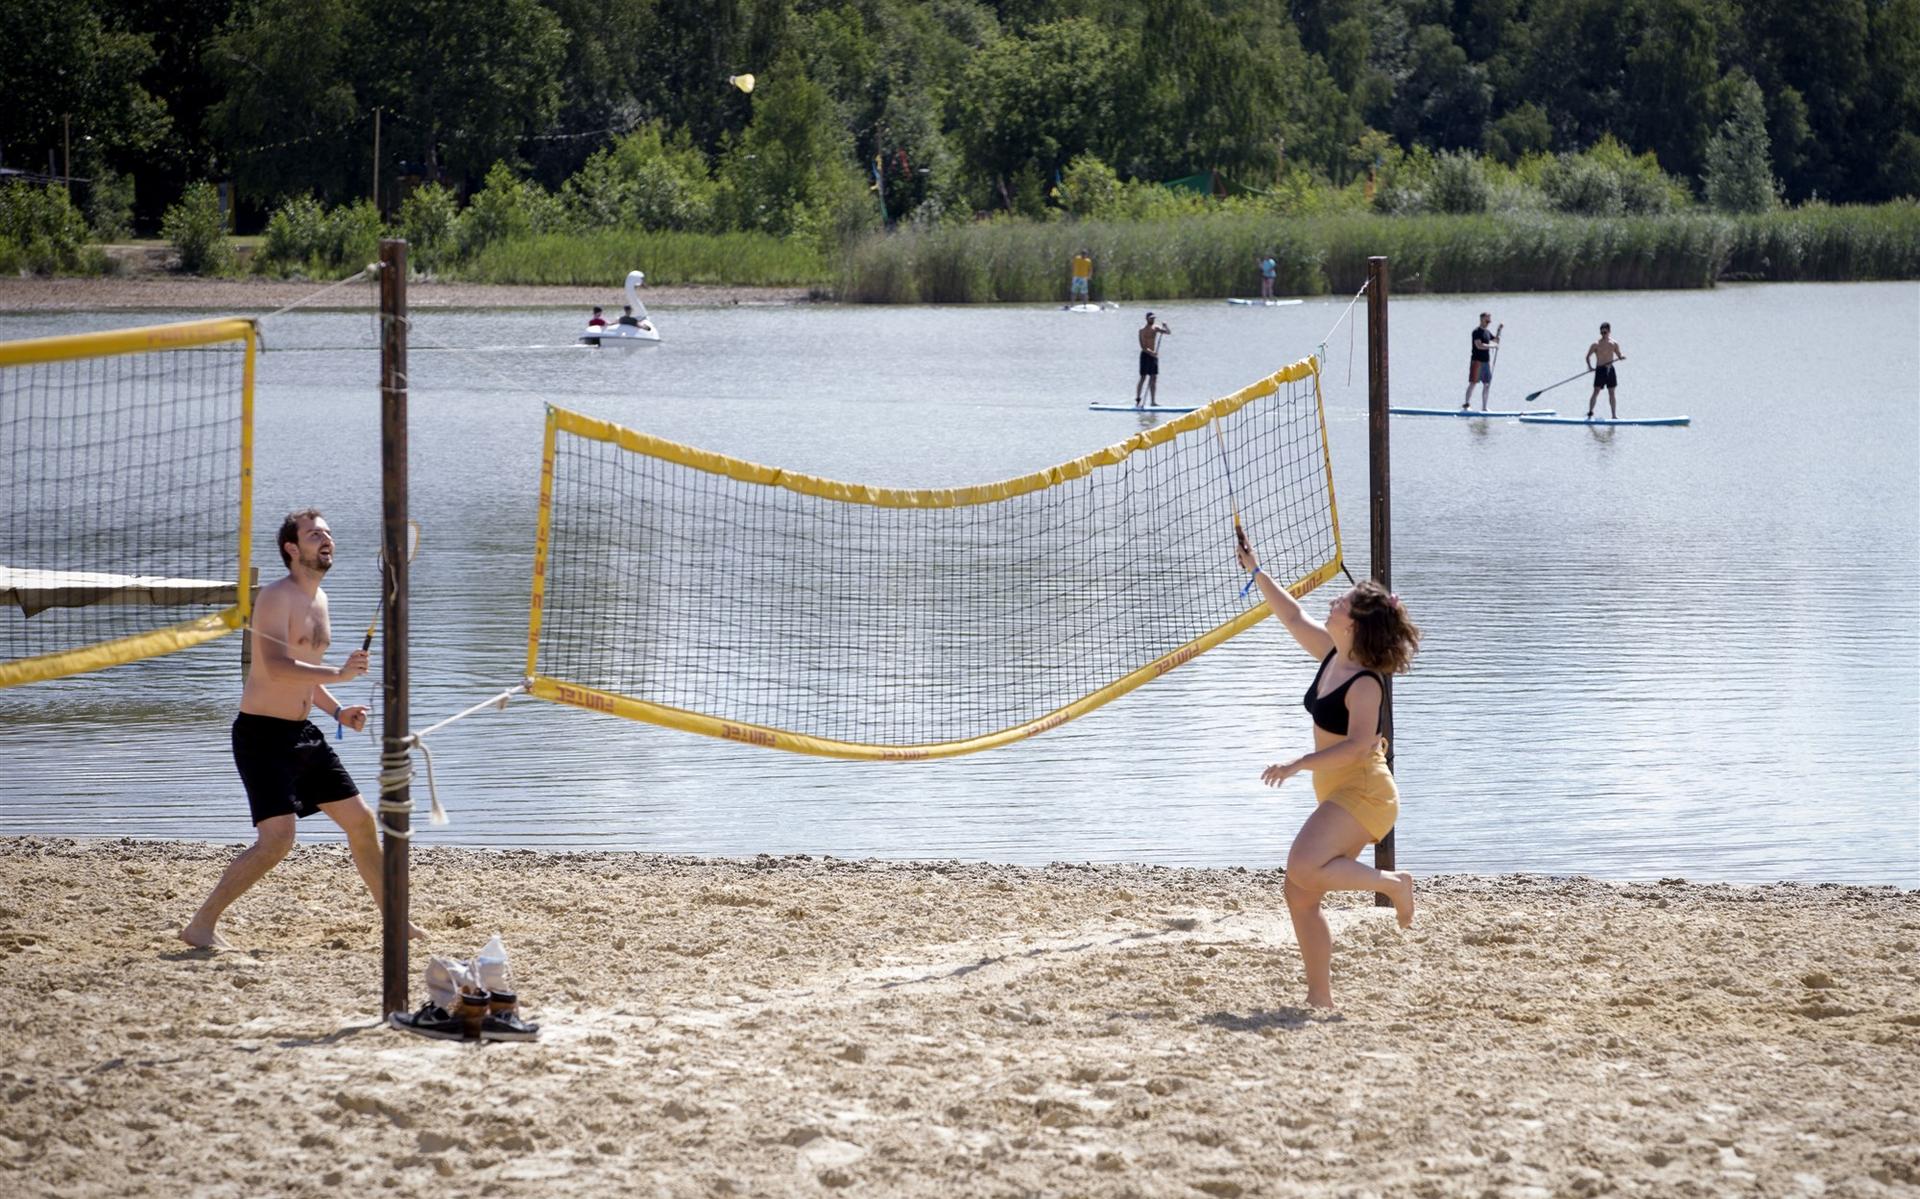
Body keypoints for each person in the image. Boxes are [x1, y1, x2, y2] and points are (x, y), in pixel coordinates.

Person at [180, 509, 425, 949]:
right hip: (262, 737)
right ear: (293, 548)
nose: (326, 540)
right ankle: (202, 924)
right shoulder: (276, 597)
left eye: (328, 533)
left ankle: (396, 920)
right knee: (277, 842)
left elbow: (306, 675)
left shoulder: (321, 600)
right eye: (315, 534)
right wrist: (341, 674)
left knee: (361, 822)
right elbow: (274, 667)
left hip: (304, 733)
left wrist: (335, 711)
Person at [1235, 527, 1421, 1009]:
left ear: (1355, 624)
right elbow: (1292, 614)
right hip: (1338, 791)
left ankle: (1392, 884)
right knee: (1299, 893)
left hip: (1366, 793)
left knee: (1302, 865)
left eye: (1342, 602)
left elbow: (1361, 747)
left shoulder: (1364, 683)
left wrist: (1300, 763)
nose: (1333, 602)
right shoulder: (1333, 655)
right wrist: (1256, 571)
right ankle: (1321, 999)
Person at [1462, 312, 1502, 410]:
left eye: (1490, 320)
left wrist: (1499, 330)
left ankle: (1484, 408)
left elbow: (1496, 341)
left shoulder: (1487, 332)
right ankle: (1466, 405)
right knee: (1473, 383)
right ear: (1482, 319)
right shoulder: (1476, 332)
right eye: (1487, 319)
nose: (1489, 321)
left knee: (1487, 384)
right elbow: (1479, 345)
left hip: (1486, 362)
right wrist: (1493, 346)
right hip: (1476, 361)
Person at [1585, 322, 1625, 419]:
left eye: (1605, 332)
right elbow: (1587, 357)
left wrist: (1621, 357)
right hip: (1600, 370)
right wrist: (1590, 367)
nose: (1603, 334)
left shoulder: (1614, 344)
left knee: (1612, 392)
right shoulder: (1596, 344)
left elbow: (1619, 355)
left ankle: (1614, 416)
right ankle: (1590, 413)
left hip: (1610, 369)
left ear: (1609, 331)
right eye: (1601, 333)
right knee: (1596, 391)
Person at [1134, 312, 1171, 408]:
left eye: (1153, 318)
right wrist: (1151, 352)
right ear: (1147, 319)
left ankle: (1153, 402)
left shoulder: (1156, 328)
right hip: (1145, 355)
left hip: (1153, 356)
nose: (1153, 320)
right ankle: (1138, 399)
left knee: (1153, 378)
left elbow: (1168, 332)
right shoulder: (1141, 330)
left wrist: (1166, 326)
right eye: (1151, 318)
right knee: (1143, 378)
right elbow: (1143, 347)